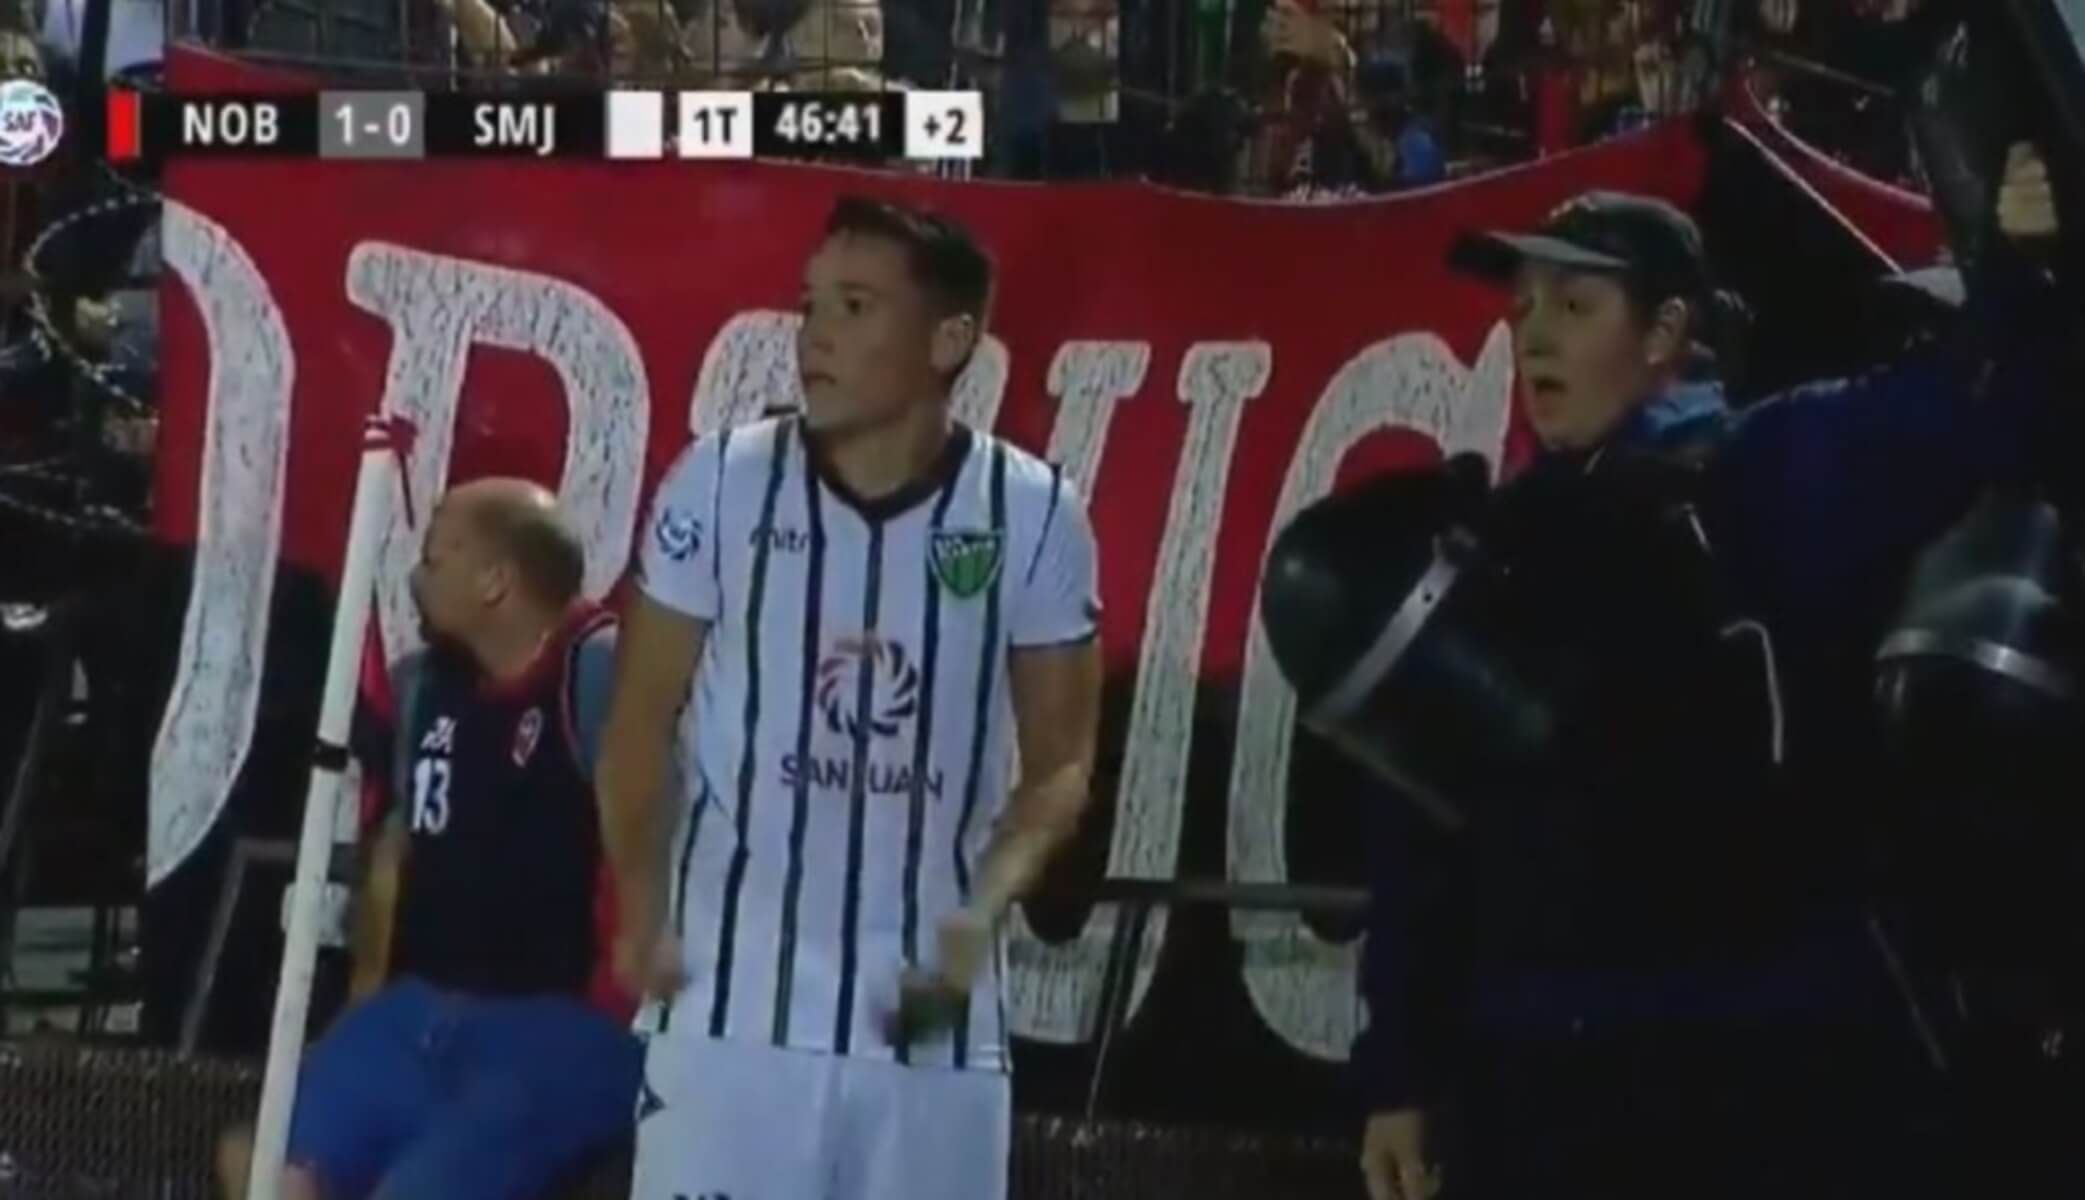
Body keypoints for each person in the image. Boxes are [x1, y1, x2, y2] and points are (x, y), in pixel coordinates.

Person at [1353, 145, 2062, 1200]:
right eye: (1523, 305)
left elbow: (1976, 406)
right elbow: (1421, 833)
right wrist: (1400, 1075)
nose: (1533, 333)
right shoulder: (1488, 548)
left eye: (1576, 305)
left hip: (1760, 1072)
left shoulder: (1772, 474)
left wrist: (2020, 266)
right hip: (1543, 1087)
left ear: (1666, 333)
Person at [598, 195, 1104, 1200]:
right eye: (811, 304)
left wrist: (982, 910)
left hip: (936, 1041)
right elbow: (637, 727)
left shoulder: (1035, 510)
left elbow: (1060, 767)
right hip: (727, 1017)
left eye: (856, 306)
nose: (814, 334)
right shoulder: (719, 482)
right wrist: (643, 900)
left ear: (950, 340)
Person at [215, 478, 642, 1200]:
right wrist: (366, 995)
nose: (416, 578)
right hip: (418, 1010)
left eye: (436, 559)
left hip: (562, 1025)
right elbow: (394, 853)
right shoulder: (422, 687)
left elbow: (663, 856)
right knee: (258, 1168)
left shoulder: (602, 678)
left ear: (496, 581)